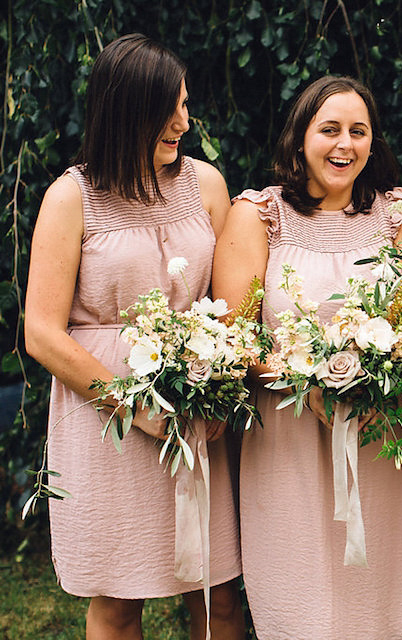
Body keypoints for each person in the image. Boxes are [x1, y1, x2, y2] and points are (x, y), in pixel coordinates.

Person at [23, 34, 243, 639]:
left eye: (185, 104)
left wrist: (223, 391)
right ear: (126, 112)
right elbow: (41, 332)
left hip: (198, 408)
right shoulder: (72, 198)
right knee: (119, 602)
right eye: (168, 110)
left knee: (218, 593)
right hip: (107, 422)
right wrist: (132, 404)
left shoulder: (206, 185)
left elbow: (230, 304)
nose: (184, 122)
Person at [211, 76, 402, 639]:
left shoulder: (398, 217)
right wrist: (309, 377)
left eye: (358, 132)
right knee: (300, 595)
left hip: (382, 433)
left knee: (380, 599)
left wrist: (378, 376)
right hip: (287, 434)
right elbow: (233, 344)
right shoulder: (259, 216)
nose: (345, 145)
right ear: (300, 137)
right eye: (329, 129)